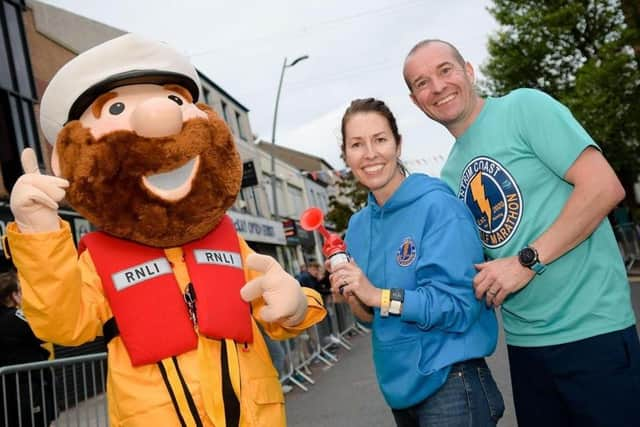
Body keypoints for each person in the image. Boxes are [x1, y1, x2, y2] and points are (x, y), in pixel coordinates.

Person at [6, 33, 325, 427]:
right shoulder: (99, 257)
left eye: (175, 99)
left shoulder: (227, 238)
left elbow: (273, 305)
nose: (161, 116)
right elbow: (64, 325)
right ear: (65, 157)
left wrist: (296, 306)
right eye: (117, 107)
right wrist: (38, 234)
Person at [403, 39, 640, 427]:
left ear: (468, 69)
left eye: (445, 70)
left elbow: (604, 187)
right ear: (416, 101)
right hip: (527, 349)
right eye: (422, 82)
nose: (438, 86)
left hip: (594, 332)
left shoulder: (524, 107)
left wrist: (527, 261)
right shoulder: (449, 177)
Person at [329, 97, 504, 426]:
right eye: (356, 144)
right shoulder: (357, 227)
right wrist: (351, 292)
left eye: (380, 140)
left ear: (398, 144)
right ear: (345, 155)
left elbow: (458, 305)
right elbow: (370, 318)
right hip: (399, 391)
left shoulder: (438, 206)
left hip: (452, 382)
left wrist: (377, 294)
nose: (369, 154)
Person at [0, 260, 56, 427]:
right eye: (20, 291)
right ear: (13, 295)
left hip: (9, 388)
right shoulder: (16, 317)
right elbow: (44, 333)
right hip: (26, 386)